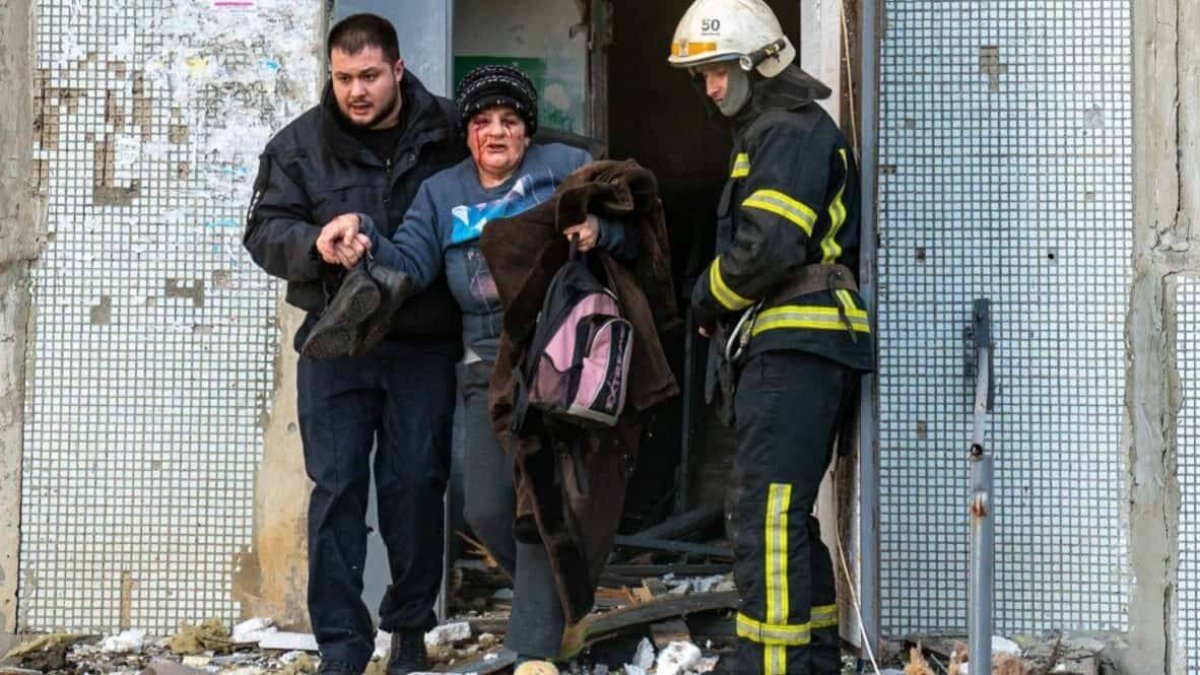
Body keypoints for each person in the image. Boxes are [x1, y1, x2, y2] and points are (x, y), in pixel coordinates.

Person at [315, 65, 638, 675]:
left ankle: (533, 648)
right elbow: (409, 263)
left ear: (527, 131)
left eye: (509, 121)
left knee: (543, 503)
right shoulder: (442, 193)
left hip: (561, 364)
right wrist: (364, 234)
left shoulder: (566, 167)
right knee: (485, 509)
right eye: (483, 121)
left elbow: (635, 230)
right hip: (486, 370)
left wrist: (602, 229)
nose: (496, 132)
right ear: (466, 132)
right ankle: (563, 609)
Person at [242, 13, 466, 675]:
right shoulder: (299, 144)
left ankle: (409, 632)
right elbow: (263, 231)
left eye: (369, 76)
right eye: (343, 78)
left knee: (415, 485)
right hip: (336, 343)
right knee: (336, 490)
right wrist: (315, 242)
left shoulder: (450, 130)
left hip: (422, 340)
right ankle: (341, 648)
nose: (356, 91)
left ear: (398, 69)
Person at [666, 1, 874, 673]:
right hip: (797, 346)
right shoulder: (778, 129)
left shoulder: (785, 132)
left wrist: (705, 297)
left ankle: (770, 664)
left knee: (765, 512)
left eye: (718, 72)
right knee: (785, 513)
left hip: (796, 346)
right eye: (702, 76)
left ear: (759, 63)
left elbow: (768, 248)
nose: (709, 88)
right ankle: (811, 660)